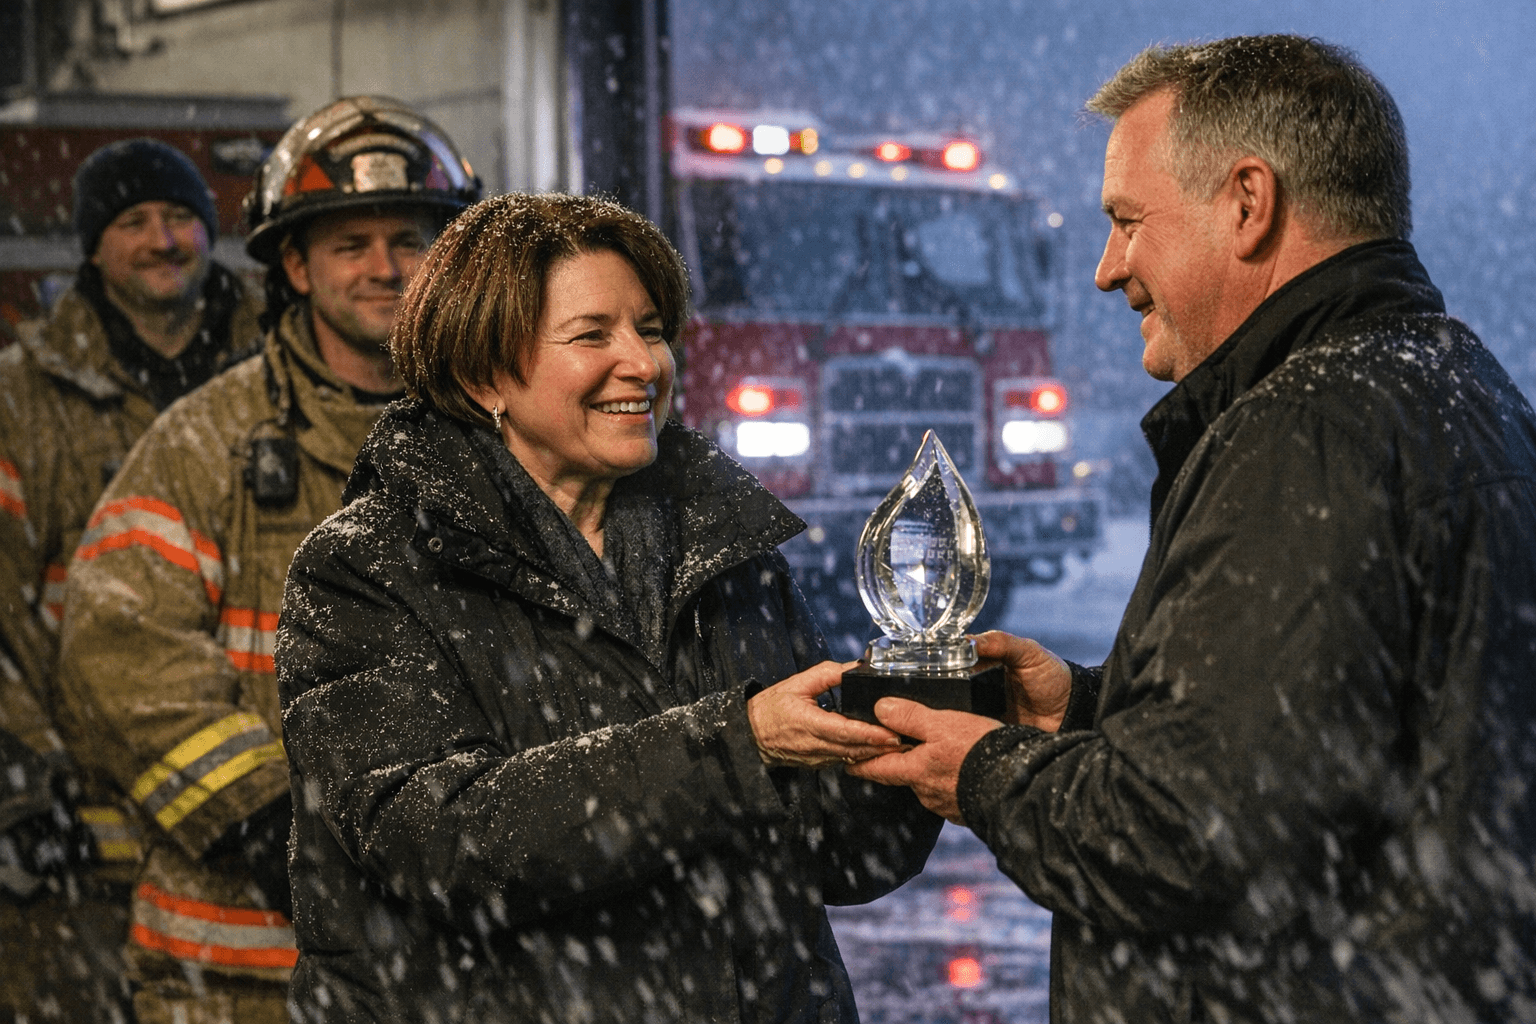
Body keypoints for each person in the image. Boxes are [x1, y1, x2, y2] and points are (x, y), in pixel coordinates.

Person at [851, 34, 1536, 1024]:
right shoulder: (1456, 384)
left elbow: (1185, 838)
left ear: (1248, 204)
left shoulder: (1308, 432)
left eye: (1128, 221)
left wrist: (983, 768)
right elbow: (1325, 753)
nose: (1106, 269)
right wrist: (1086, 711)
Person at [275, 191, 943, 1024]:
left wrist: (921, 722)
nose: (643, 363)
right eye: (594, 335)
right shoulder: (365, 571)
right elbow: (447, 848)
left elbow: (837, 860)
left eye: (652, 329)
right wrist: (735, 745)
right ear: (484, 375)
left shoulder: (722, 552)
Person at [52, 96, 481, 1024]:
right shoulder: (207, 440)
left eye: (409, 239)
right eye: (349, 244)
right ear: (294, 263)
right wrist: (267, 824)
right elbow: (118, 656)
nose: (384, 268)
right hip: (241, 967)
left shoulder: (506, 432)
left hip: (471, 957)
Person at [0, 137, 263, 1023]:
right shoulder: (21, 398)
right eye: (134, 222)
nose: (163, 239)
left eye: (182, 217)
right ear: (93, 248)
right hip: (86, 827)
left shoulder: (284, 377)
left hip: (255, 817)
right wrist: (27, 788)